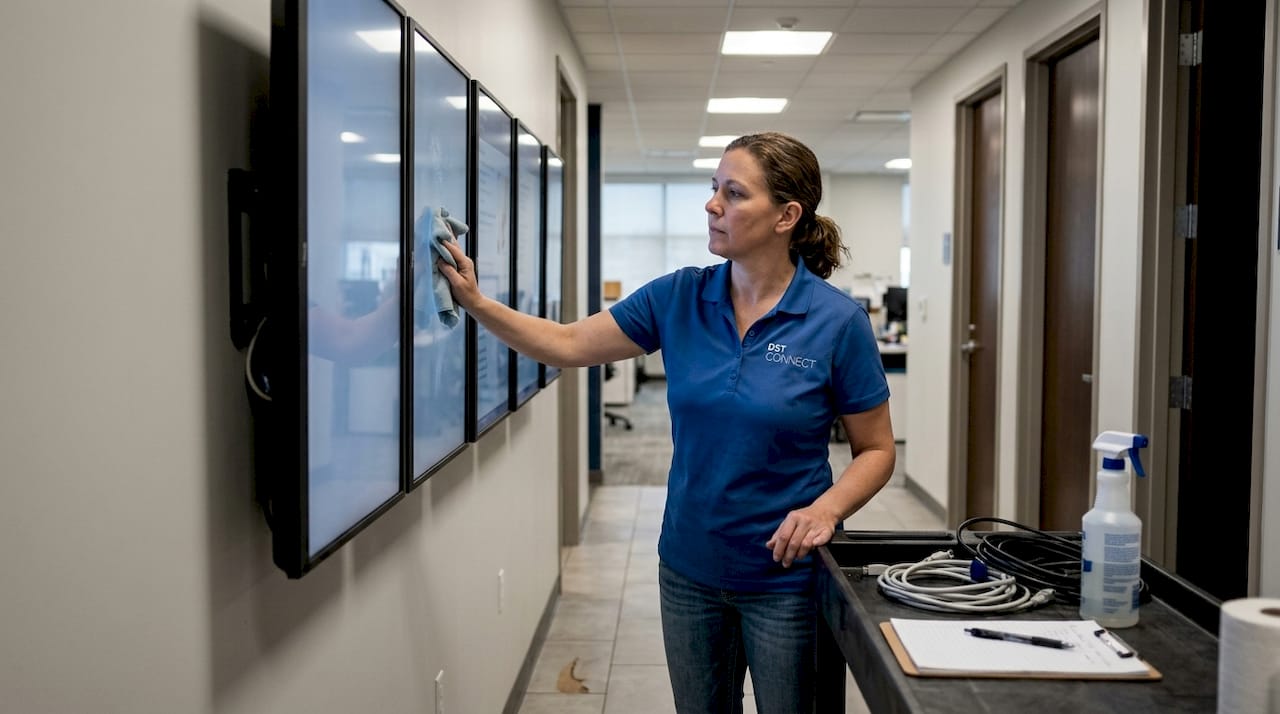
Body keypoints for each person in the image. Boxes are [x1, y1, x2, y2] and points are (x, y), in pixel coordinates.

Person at [437, 131, 895, 713]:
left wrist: (824, 510)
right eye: (713, 189)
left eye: (733, 193)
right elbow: (566, 342)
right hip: (690, 568)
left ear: (787, 215)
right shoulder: (678, 297)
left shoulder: (836, 322)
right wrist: (476, 302)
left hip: (788, 577)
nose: (712, 205)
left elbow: (876, 449)